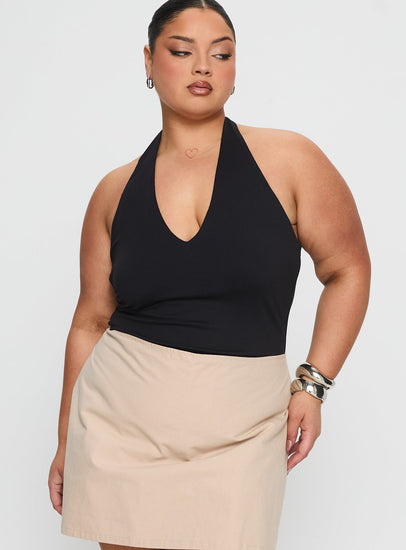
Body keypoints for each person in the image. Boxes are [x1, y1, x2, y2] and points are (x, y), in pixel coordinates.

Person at [48, 1, 371, 549]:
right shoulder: (113, 191)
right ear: (148, 61)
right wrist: (65, 442)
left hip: (244, 426)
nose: (203, 66)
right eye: (182, 51)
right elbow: (90, 321)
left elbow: (349, 269)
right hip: (120, 422)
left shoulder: (291, 161)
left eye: (221, 54)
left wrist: (313, 385)